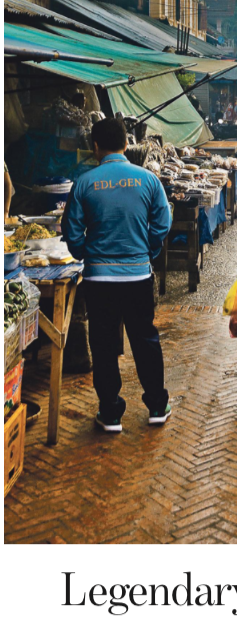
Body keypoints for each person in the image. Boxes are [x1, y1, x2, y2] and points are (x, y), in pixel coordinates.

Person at [61, 118, 172, 433]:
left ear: (95, 147)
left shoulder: (84, 182)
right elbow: (162, 224)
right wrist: (146, 251)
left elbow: (71, 230)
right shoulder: (148, 180)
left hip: (99, 279)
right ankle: (156, 406)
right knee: (145, 339)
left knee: (104, 344)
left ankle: (110, 413)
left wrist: (87, 253)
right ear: (126, 144)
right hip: (138, 277)